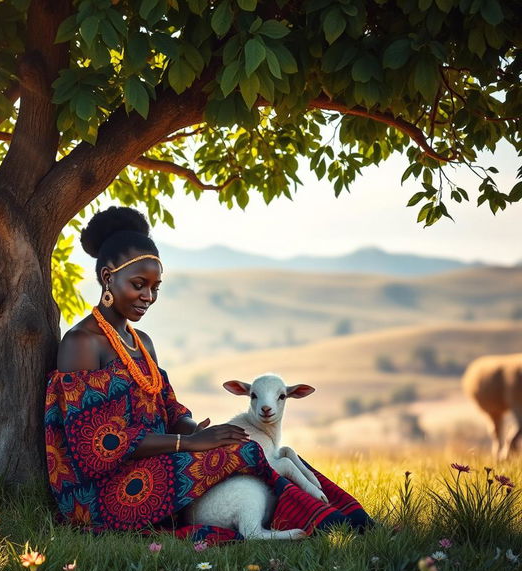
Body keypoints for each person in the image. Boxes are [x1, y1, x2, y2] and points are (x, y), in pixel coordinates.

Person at [44, 206, 372, 542]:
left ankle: (348, 520)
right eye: (139, 285)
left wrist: (194, 429)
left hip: (156, 459)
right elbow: (94, 444)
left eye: (156, 287)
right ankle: (329, 528)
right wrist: (187, 443)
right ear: (108, 277)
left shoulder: (141, 342)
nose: (148, 297)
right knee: (246, 453)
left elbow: (167, 406)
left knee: (250, 445)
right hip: (103, 490)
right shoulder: (82, 342)